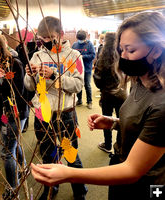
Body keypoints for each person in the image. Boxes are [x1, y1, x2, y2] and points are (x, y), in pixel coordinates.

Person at [31, 11, 165, 200]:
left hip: (146, 185)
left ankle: (79, 191)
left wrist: (69, 174)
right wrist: (114, 122)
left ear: (157, 50)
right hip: (119, 168)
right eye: (121, 50)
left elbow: (132, 170)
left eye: (131, 50)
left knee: (71, 154)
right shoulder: (141, 81)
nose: (123, 57)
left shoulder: (162, 103)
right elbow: (144, 124)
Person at [24, 16, 88, 200]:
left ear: (60, 34)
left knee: (70, 154)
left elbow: (78, 86)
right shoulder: (37, 55)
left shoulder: (74, 56)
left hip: (65, 113)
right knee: (47, 154)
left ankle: (79, 189)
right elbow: (29, 87)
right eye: (42, 38)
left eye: (49, 37)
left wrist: (54, 74)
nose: (45, 42)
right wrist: (29, 75)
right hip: (41, 113)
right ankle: (51, 188)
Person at [0, 31, 26, 199]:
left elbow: (18, 95)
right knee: (13, 143)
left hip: (14, 113)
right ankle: (24, 168)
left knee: (7, 151)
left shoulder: (14, 63)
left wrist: (0, 79)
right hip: (2, 113)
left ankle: (12, 189)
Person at [93, 32, 127, 153]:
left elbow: (97, 80)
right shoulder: (124, 55)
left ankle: (107, 145)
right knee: (121, 121)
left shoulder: (102, 59)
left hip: (107, 95)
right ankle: (119, 146)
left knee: (106, 120)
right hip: (122, 94)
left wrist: (103, 88)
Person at [72, 30, 95, 109]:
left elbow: (93, 55)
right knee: (78, 84)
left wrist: (83, 57)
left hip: (87, 69)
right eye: (79, 39)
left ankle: (89, 101)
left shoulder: (90, 44)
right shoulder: (74, 45)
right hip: (77, 69)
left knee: (87, 85)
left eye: (82, 40)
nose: (80, 41)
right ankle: (79, 100)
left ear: (85, 38)